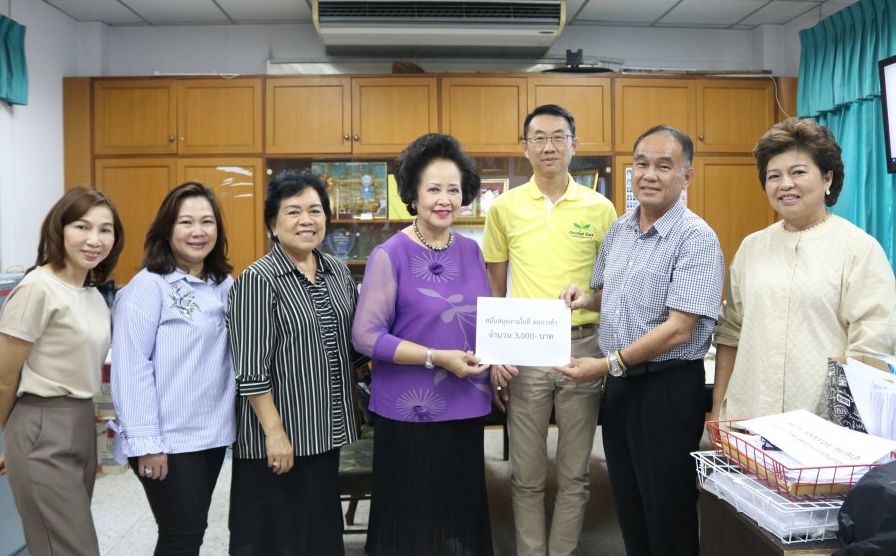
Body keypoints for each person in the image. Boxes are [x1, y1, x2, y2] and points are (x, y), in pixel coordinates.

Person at [559, 125, 725, 556]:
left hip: (666, 387)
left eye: (664, 166)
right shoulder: (619, 230)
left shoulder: (696, 238)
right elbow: (610, 292)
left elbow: (679, 328)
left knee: (667, 508)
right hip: (620, 386)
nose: (650, 174)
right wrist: (586, 298)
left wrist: (606, 364)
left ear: (687, 176)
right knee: (628, 502)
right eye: (642, 164)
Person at [483, 104, 617, 556]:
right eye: (538, 138)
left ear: (574, 146)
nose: (548, 146)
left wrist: (588, 298)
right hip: (526, 351)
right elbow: (495, 288)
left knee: (576, 471)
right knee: (526, 473)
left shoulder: (601, 208)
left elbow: (611, 289)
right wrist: (496, 353)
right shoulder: (504, 208)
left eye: (558, 137)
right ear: (525, 147)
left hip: (582, 348)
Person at [352, 133, 494, 556]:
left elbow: (482, 323)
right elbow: (366, 335)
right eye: (434, 189)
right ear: (413, 195)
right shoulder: (390, 254)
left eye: (454, 189)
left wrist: (499, 358)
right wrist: (435, 357)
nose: (444, 200)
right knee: (412, 518)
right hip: (409, 410)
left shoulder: (471, 251)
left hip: (466, 403)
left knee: (458, 514)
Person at [712, 118, 896, 421]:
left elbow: (871, 345)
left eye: (798, 172)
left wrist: (841, 424)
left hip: (819, 425)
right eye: (774, 176)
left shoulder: (858, 248)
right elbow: (731, 332)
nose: (785, 184)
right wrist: (719, 410)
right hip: (749, 417)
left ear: (827, 178)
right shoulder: (751, 248)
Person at [227, 170, 361, 556]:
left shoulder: (337, 271)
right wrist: (275, 434)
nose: (307, 220)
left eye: (315, 210)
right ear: (272, 224)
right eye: (293, 211)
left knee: (319, 537)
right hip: (278, 440)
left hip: (325, 434)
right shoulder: (258, 280)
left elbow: (355, 345)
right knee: (278, 541)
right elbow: (251, 370)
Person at [109, 181, 236, 555]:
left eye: (207, 222)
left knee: (191, 531)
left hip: (212, 435)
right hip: (168, 439)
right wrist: (147, 443)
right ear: (167, 229)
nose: (198, 231)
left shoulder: (223, 285)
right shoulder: (147, 288)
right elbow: (131, 369)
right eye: (186, 222)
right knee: (180, 535)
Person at [0, 186, 124, 556]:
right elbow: (3, 377)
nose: (94, 239)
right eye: (82, 227)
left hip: (81, 424)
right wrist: (14, 439)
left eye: (105, 230)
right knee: (74, 548)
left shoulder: (92, 293)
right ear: (60, 229)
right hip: (41, 423)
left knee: (60, 544)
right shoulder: (37, 288)